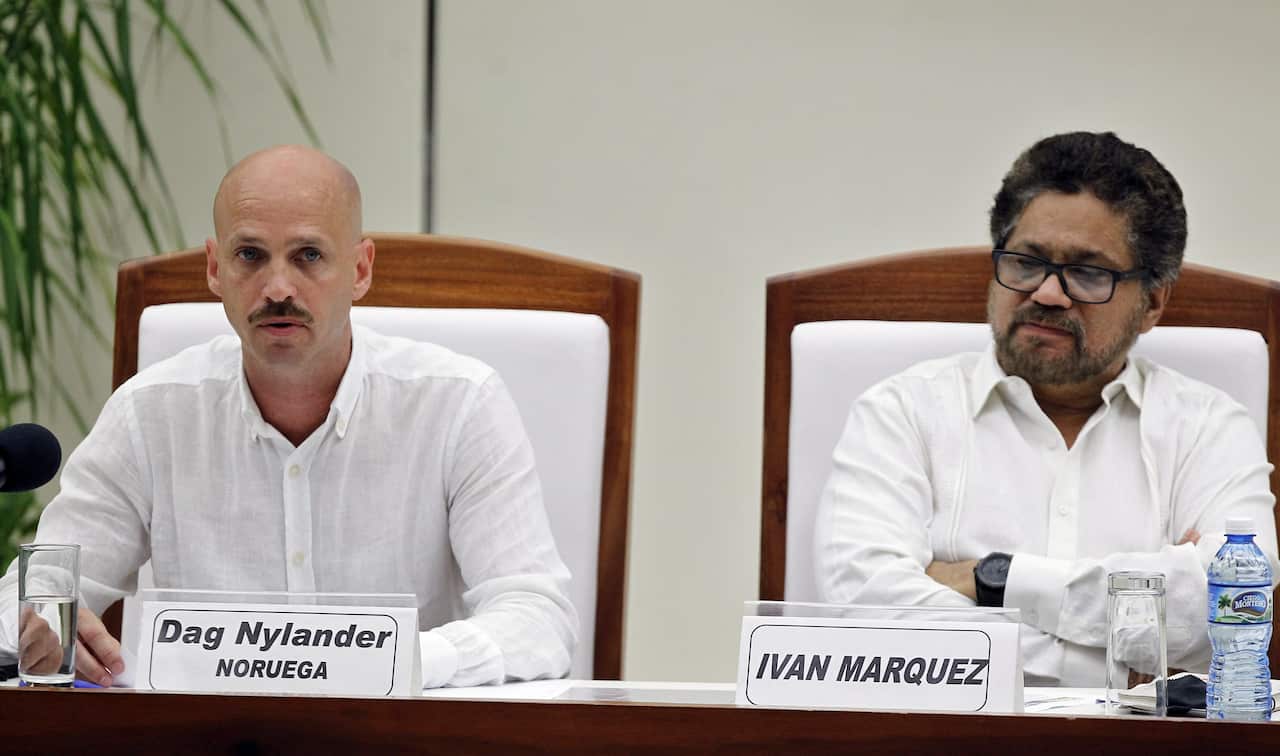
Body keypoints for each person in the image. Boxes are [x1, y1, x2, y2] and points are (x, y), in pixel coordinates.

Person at [0, 145, 577, 688]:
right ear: (214, 269)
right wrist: (40, 627)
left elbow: (537, 618)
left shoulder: (458, 404)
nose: (278, 287)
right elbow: (27, 602)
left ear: (359, 270)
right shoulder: (149, 414)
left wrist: (395, 660)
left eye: (308, 256)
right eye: (250, 255)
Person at [815, 131, 1279, 686]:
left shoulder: (1209, 429)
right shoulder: (902, 413)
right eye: (1026, 262)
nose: (1047, 294)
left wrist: (993, 581)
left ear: (1153, 301)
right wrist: (1107, 666)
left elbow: (1234, 611)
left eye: (1088, 273)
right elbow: (864, 615)